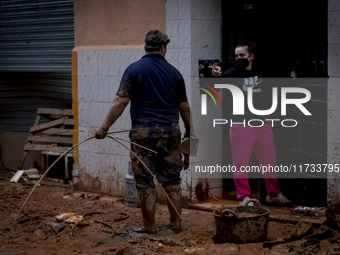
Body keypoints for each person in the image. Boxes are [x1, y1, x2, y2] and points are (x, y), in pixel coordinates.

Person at [95, 30, 195, 234]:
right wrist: (188, 132)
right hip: (170, 134)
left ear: (145, 47)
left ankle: (150, 226)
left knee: (144, 180)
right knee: (172, 179)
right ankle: (176, 223)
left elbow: (121, 101)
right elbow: (184, 107)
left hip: (143, 135)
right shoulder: (175, 73)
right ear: (163, 48)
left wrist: (104, 128)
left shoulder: (133, 69)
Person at [210, 41, 291, 206]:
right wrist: (215, 76)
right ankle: (243, 197)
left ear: (251, 56)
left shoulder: (262, 70)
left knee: (270, 162)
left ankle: (273, 194)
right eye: (236, 56)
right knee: (241, 163)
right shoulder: (231, 74)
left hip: (263, 124)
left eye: (242, 55)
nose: (239, 59)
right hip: (241, 125)